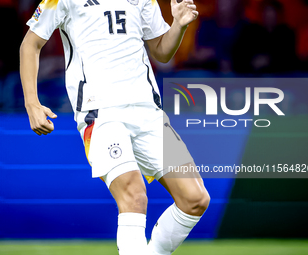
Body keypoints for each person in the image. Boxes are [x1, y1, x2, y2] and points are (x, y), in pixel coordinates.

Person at [20, 0, 210, 254]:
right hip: (101, 112)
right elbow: (30, 44)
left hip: (148, 113)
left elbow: (161, 51)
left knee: (195, 200)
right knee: (134, 195)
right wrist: (32, 103)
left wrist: (178, 25)